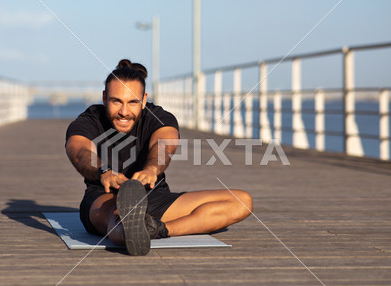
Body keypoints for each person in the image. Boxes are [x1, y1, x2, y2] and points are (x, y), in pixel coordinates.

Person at [65, 59, 252, 255]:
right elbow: (79, 151)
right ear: (105, 98)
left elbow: (163, 144)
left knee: (242, 201)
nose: (124, 112)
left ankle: (157, 228)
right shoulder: (90, 119)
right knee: (117, 220)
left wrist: (152, 169)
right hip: (105, 198)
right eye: (116, 101)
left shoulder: (159, 117)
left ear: (144, 100)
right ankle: (132, 229)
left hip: (153, 197)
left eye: (132, 102)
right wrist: (103, 171)